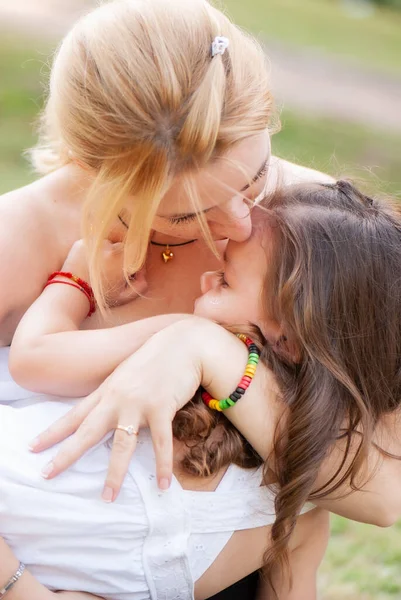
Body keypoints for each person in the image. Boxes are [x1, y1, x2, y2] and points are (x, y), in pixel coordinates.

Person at [0, 0, 401, 597]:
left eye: (254, 178)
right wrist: (19, 586)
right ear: (93, 173)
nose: (240, 224)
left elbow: (383, 494)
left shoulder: (326, 238)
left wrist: (210, 354)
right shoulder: (22, 235)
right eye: (187, 215)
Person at [2, 180, 401, 600]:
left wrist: (76, 279)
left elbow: (37, 357)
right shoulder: (300, 514)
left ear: (288, 339)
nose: (207, 277)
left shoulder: (185, 340)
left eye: (225, 281)